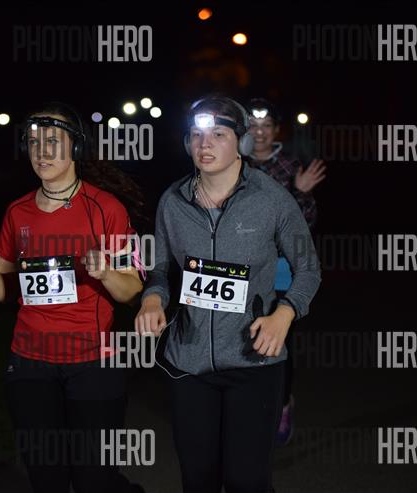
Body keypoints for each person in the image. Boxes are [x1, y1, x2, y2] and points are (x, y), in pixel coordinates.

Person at [135, 95, 321, 492]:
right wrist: (153, 298)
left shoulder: (273, 200)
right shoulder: (172, 201)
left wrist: (285, 313)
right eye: (196, 135)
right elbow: (160, 269)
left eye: (219, 134)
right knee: (198, 480)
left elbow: (308, 269)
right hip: (188, 363)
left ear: (242, 142)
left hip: (253, 362)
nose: (205, 144)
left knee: (246, 481)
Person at [0, 102, 145, 493]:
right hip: (30, 363)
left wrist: (106, 272)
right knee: (46, 478)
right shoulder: (17, 212)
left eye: (52, 141)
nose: (41, 152)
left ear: (76, 148)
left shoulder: (107, 209)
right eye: (34, 143)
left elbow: (132, 291)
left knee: (94, 479)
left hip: (92, 362)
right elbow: (5, 291)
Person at [246, 97, 327, 446]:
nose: (259, 132)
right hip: (240, 271)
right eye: (252, 125)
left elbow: (304, 227)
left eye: (266, 126)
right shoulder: (231, 161)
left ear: (276, 130)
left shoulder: (291, 165)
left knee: (277, 343)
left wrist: (301, 193)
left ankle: (281, 405)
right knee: (242, 340)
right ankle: (247, 407)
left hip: (280, 271)